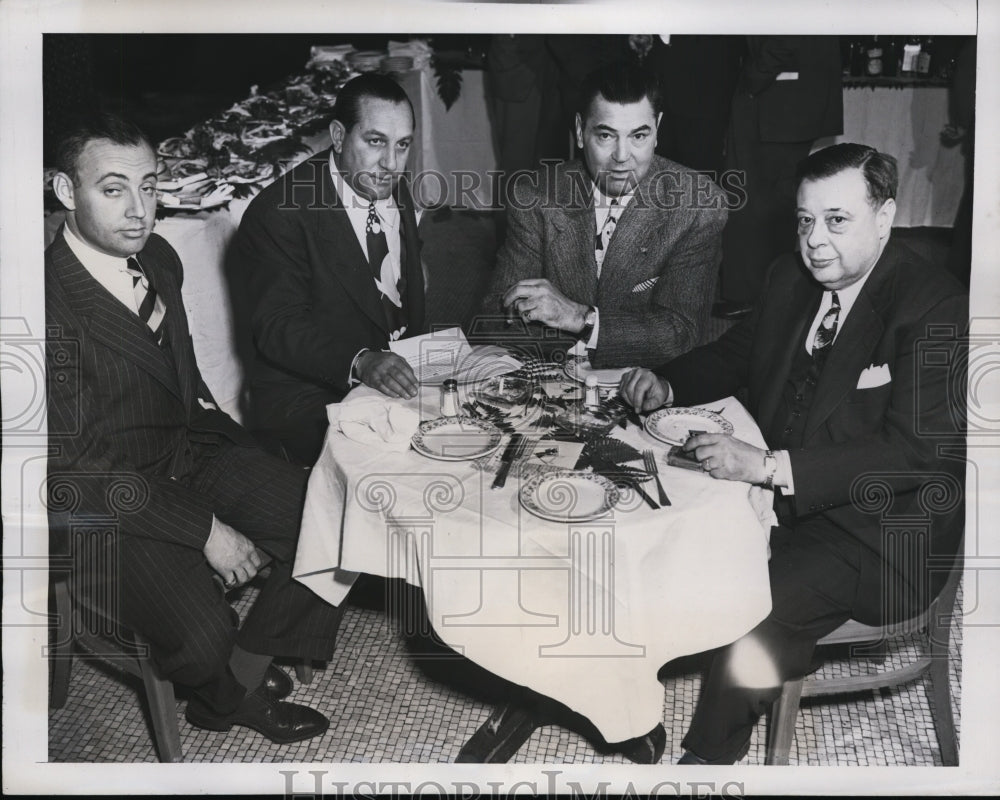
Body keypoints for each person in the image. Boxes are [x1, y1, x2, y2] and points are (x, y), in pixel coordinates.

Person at [619, 143, 967, 764]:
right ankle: (620, 701)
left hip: (878, 535)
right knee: (648, 530)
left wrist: (767, 467)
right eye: (806, 220)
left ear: (885, 218)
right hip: (779, 499)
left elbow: (917, 455)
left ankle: (708, 759)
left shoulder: (936, 306)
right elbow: (736, 355)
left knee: (752, 611)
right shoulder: (790, 278)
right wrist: (670, 381)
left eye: (838, 220)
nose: (815, 240)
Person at [46, 113, 343, 744]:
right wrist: (208, 530)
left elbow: (184, 383)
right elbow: (75, 473)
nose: (138, 210)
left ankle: (237, 679)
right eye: (114, 188)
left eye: (150, 186)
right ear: (65, 192)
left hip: (186, 451)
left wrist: (249, 466)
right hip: (105, 504)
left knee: (343, 517)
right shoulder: (40, 307)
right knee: (200, 631)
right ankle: (226, 690)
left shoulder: (157, 256)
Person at [474, 60, 728, 368]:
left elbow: (680, 334)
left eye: (638, 136)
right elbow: (496, 319)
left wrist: (580, 319)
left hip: (648, 383)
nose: (622, 157)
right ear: (581, 132)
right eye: (606, 136)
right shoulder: (534, 196)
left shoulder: (698, 205)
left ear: (657, 130)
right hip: (552, 378)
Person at [235, 73, 426, 466]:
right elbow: (278, 326)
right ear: (338, 137)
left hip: (393, 367)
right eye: (375, 141)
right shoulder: (278, 214)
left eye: (402, 145)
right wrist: (360, 361)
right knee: (406, 462)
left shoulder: (382, 181)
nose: (391, 163)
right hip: (310, 391)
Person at [714, 36, 844, 320]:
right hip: (787, 98)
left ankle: (753, 297)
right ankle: (769, 293)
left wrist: (751, 78)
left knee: (754, 200)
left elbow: (784, 37)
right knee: (774, 199)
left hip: (774, 97)